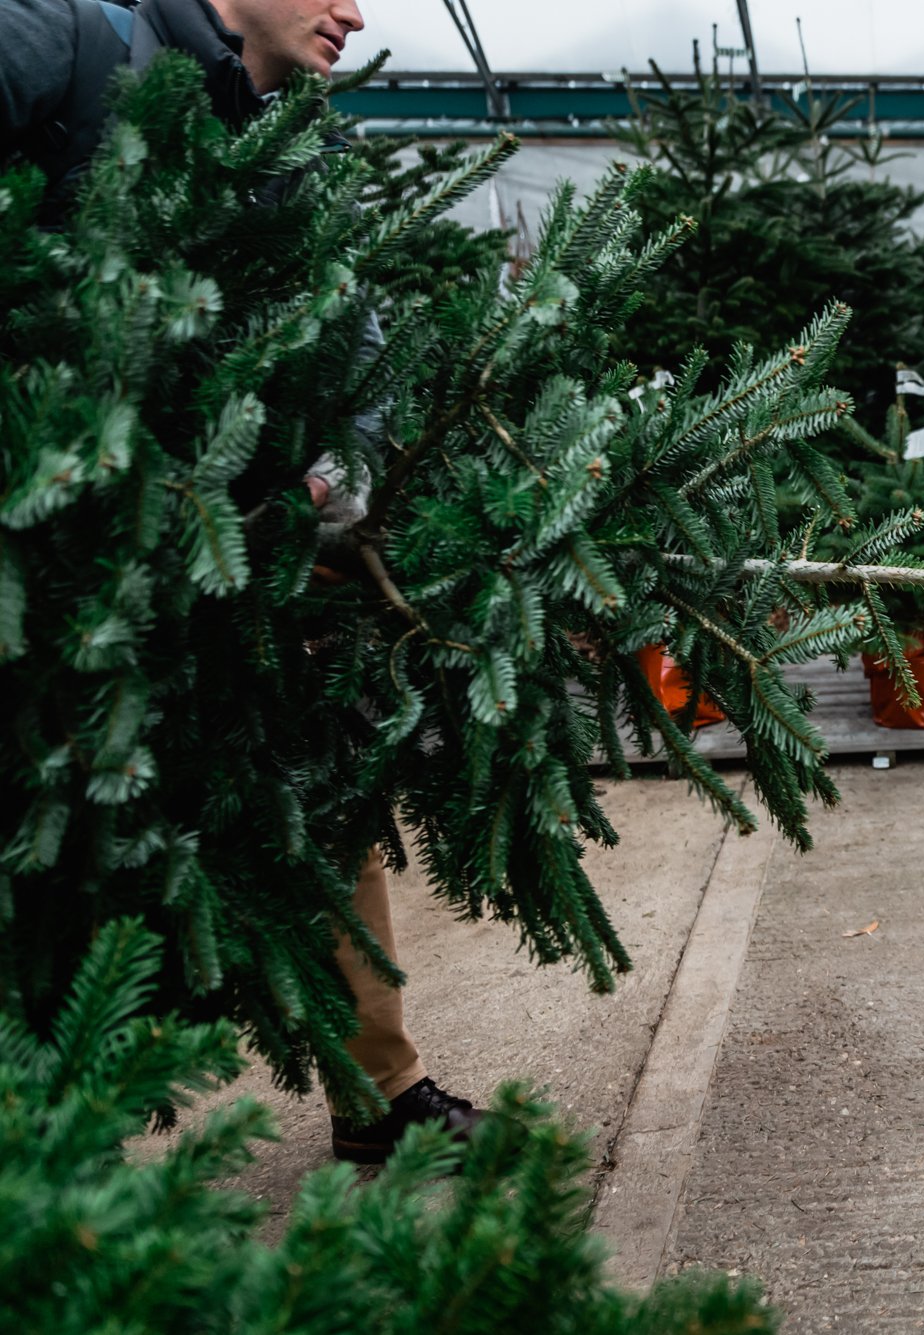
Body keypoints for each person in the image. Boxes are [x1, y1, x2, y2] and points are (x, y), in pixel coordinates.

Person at [1, 0, 481, 1161]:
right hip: (49, 575)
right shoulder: (68, 43)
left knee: (314, 797)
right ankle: (57, 1167)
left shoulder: (297, 151)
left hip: (231, 563)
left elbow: (356, 350)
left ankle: (380, 1090)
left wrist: (331, 477)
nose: (356, 13)